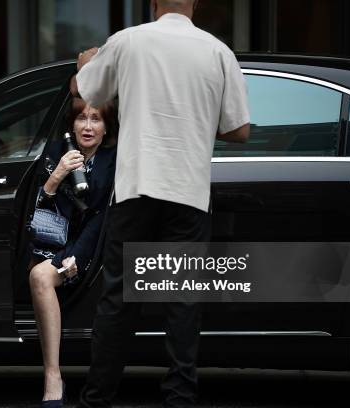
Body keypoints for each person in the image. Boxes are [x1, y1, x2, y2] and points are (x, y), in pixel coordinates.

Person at [71, 0, 250, 406]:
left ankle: (98, 398)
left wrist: (84, 65)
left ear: (153, 4)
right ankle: (179, 397)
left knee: (118, 300)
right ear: (196, 4)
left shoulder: (127, 41)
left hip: (136, 187)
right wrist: (196, 120)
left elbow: (85, 93)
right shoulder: (218, 51)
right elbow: (239, 130)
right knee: (182, 300)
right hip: (188, 192)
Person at [29, 97, 117, 407]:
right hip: (51, 240)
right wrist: (57, 176)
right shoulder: (55, 152)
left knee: (41, 277)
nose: (88, 126)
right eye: (82, 119)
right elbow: (37, 214)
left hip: (89, 248)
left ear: (106, 128)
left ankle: (54, 374)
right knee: (38, 275)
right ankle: (52, 375)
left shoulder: (113, 160)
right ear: (73, 125)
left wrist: (76, 257)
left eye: (96, 119)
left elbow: (101, 219)